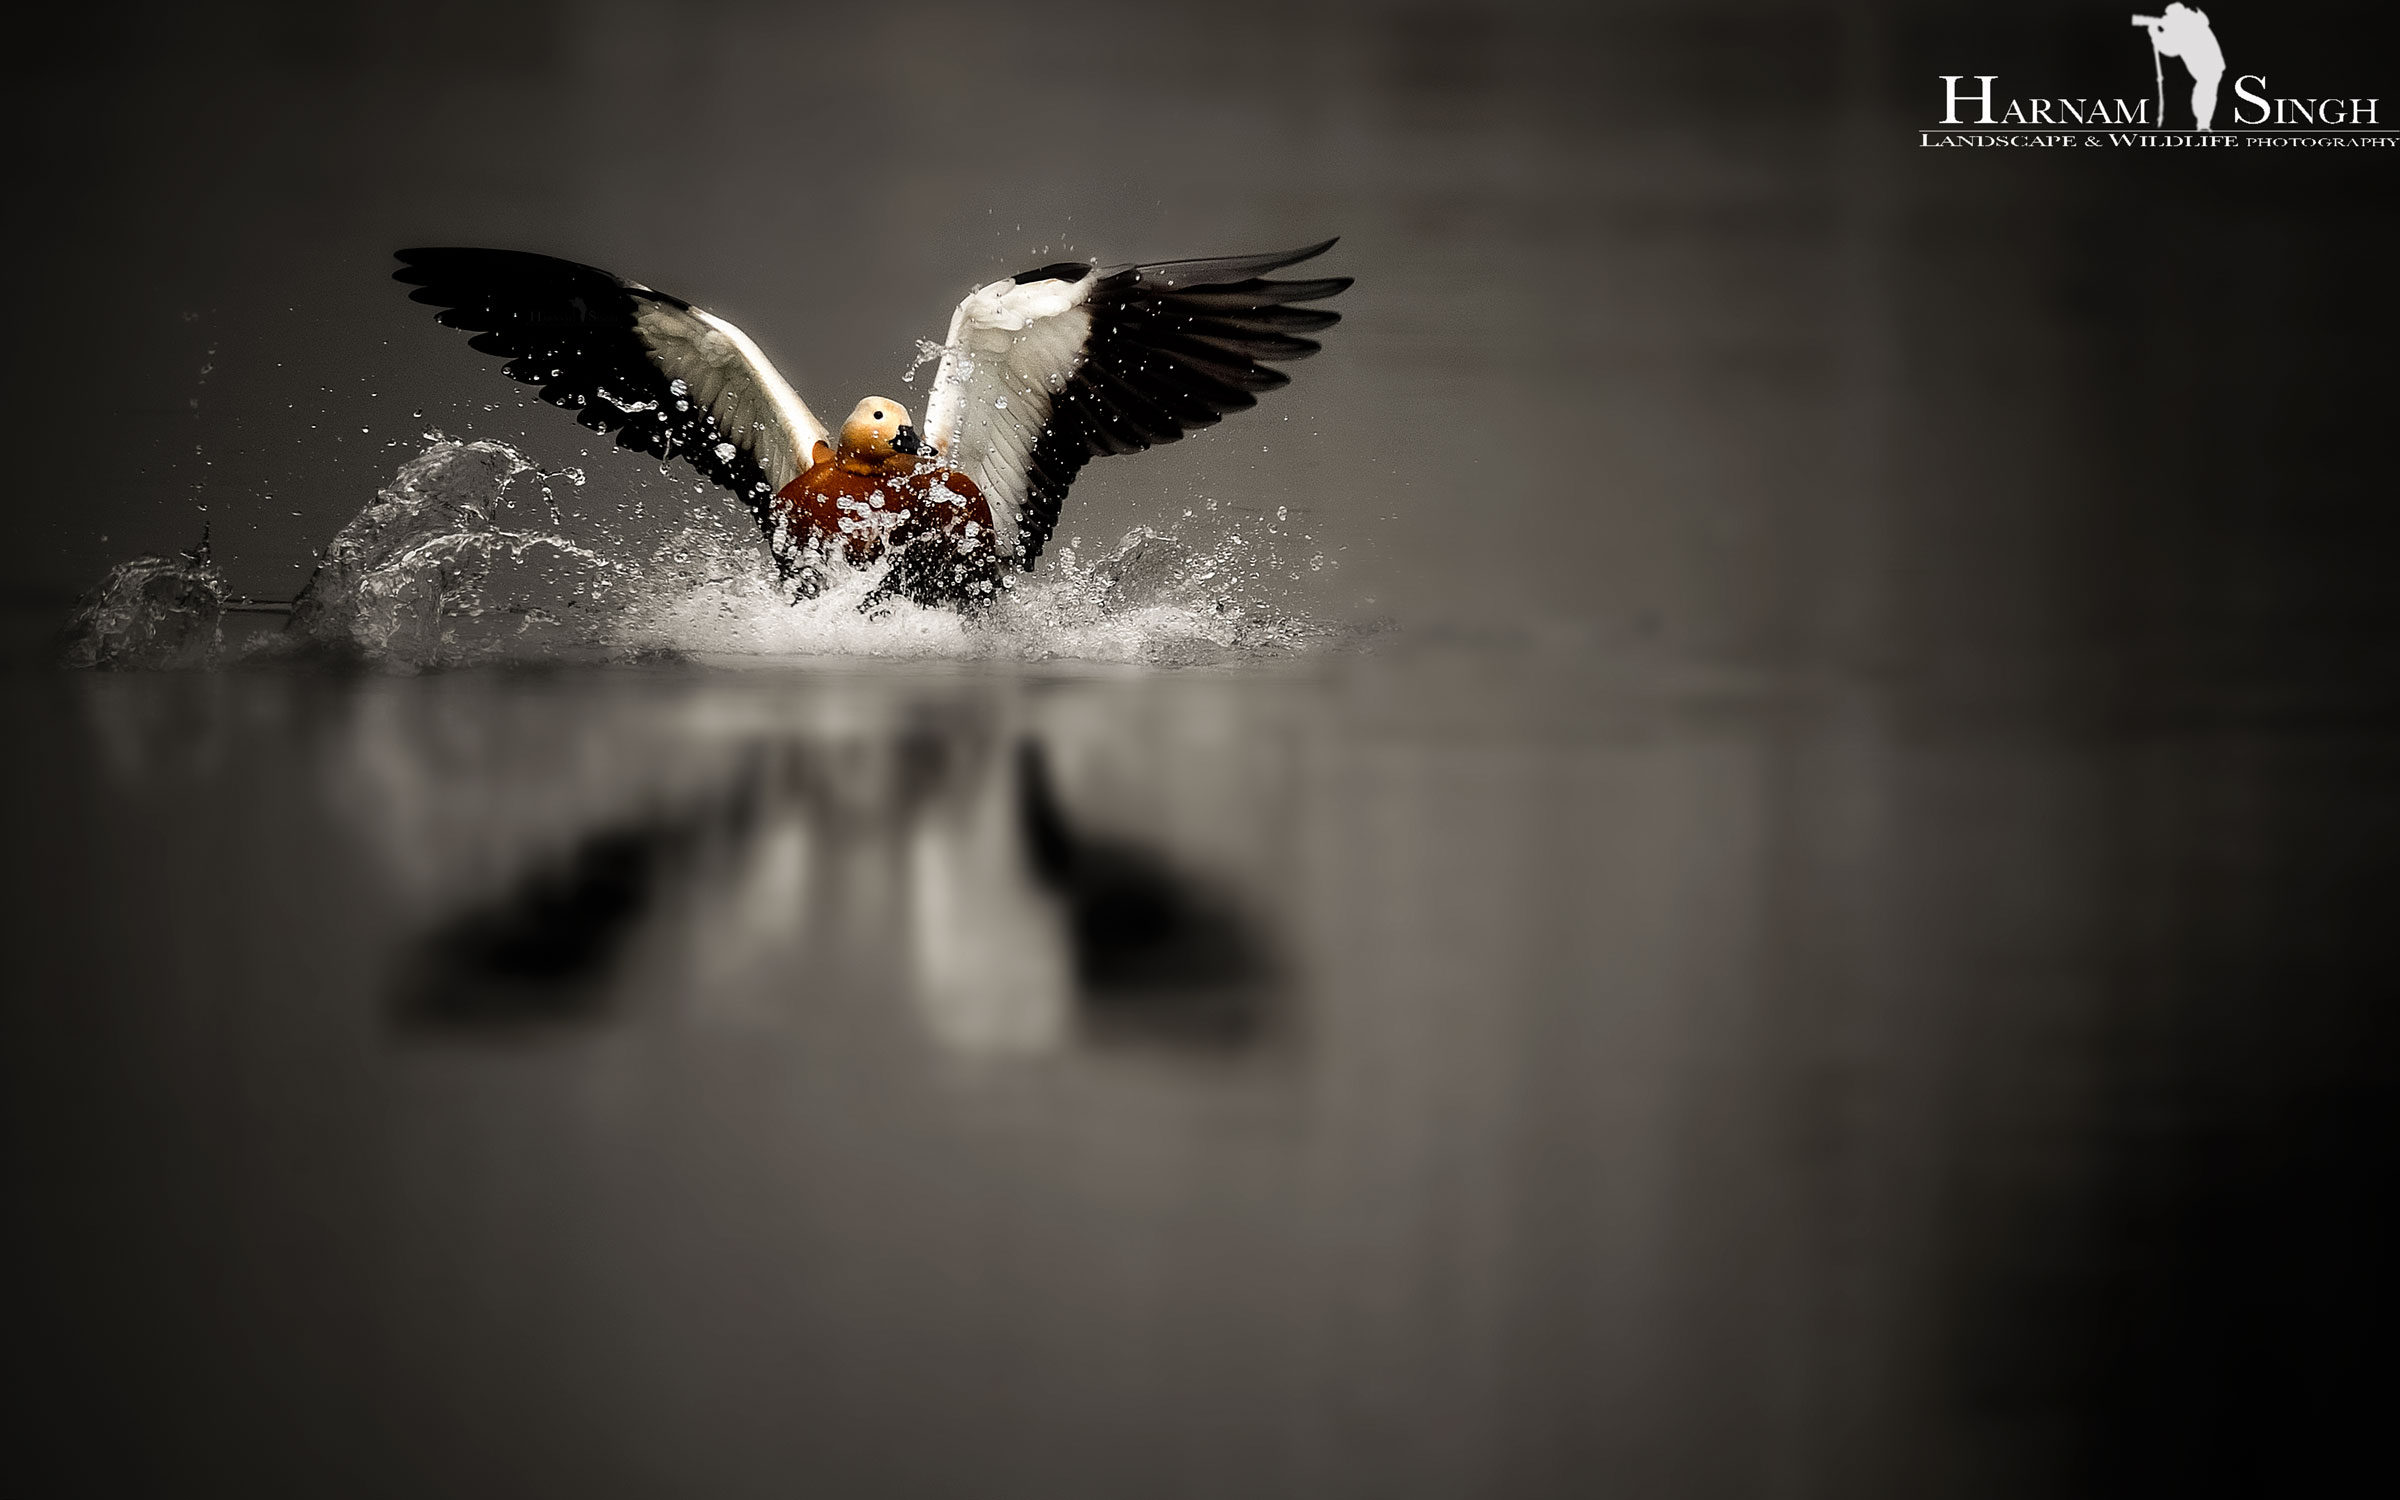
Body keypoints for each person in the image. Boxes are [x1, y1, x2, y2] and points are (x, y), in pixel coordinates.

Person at [2134, 6, 2225, 130]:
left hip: (2207, 68)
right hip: (2214, 66)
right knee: (2206, 92)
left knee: (2204, 93)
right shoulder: (2193, 20)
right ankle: (2203, 124)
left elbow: (2170, 48)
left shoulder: (2185, 25)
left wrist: (2155, 34)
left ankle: (2203, 124)